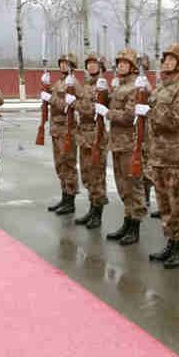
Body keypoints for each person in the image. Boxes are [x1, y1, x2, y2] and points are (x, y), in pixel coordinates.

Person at [140, 44, 179, 268]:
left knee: (177, 204)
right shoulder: (161, 88)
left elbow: (176, 120)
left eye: (172, 60)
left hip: (175, 157)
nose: (166, 63)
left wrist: (151, 110)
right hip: (158, 155)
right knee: (164, 204)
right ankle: (171, 242)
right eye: (165, 59)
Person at [95, 49, 147, 244]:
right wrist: (103, 93)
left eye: (125, 63)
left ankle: (135, 226)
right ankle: (127, 220)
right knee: (122, 186)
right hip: (117, 143)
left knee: (133, 185)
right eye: (119, 63)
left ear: (133, 66)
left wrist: (107, 112)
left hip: (130, 144)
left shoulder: (136, 87)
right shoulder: (120, 86)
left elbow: (129, 116)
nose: (120, 66)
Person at [73, 54, 109, 229]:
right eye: (88, 64)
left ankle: (98, 213)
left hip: (96, 135)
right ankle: (91, 208)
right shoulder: (86, 85)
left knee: (97, 177)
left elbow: (89, 109)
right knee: (87, 175)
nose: (91, 67)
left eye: (94, 64)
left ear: (100, 66)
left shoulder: (102, 86)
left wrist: (75, 104)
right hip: (83, 135)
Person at [42, 54, 79, 215]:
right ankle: (64, 197)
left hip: (67, 130)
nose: (63, 66)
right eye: (61, 63)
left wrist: (50, 98)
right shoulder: (59, 82)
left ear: (72, 66)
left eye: (67, 63)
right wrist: (46, 85)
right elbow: (54, 98)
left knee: (68, 164)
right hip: (56, 130)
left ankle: (70, 201)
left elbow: (68, 106)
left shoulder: (74, 84)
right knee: (60, 165)